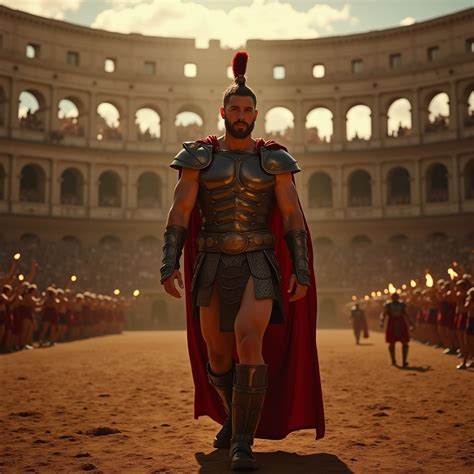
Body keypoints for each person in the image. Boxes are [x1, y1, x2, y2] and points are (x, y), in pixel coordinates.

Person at [160, 51, 324, 471]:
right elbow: (180, 212)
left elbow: (291, 217)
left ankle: (242, 444)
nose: (241, 114)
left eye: (248, 109)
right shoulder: (199, 157)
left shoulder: (274, 159)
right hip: (212, 262)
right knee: (217, 356)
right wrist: (169, 261)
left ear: (256, 113)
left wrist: (301, 268)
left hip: (258, 262)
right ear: (223, 111)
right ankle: (235, 419)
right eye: (234, 108)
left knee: (249, 342)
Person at [381, 292, 411, 367]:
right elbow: (384, 314)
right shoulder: (388, 305)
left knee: (405, 342)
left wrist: (410, 323)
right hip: (392, 323)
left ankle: (404, 361)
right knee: (391, 342)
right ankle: (393, 360)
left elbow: (406, 314)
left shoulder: (402, 304)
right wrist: (381, 321)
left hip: (401, 322)